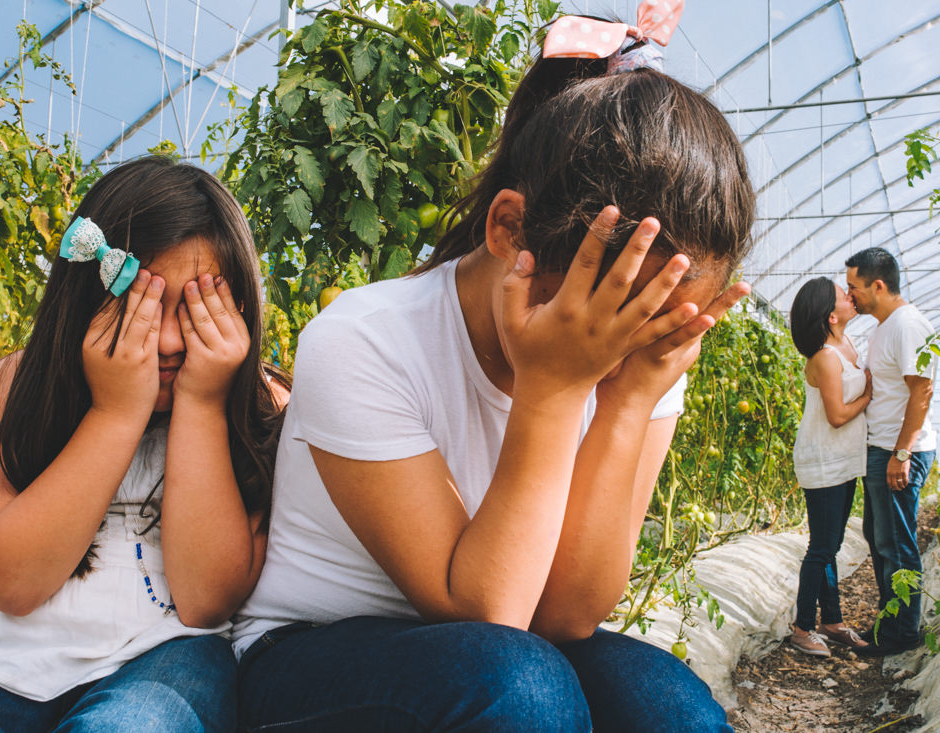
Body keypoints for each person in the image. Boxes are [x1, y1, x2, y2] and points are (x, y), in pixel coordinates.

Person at [233, 5, 755, 732]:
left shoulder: (644, 352)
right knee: (520, 692)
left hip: (513, 644)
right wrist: (552, 390)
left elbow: (568, 612)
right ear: (510, 230)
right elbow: (487, 614)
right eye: (616, 317)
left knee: (670, 706)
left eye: (661, 326)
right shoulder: (364, 339)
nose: (628, 348)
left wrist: (632, 400)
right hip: (314, 652)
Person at [0, 156, 286, 732]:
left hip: (167, 660)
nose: (166, 339)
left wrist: (203, 401)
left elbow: (205, 601)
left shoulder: (263, 408)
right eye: (141, 305)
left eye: (194, 310)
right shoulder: (17, 385)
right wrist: (115, 412)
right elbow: (13, 585)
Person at [844, 247, 937, 656]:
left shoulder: (907, 326)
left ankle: (902, 633)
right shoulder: (885, 326)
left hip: (899, 452)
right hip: (882, 447)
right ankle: (890, 621)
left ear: (878, 285)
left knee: (897, 544)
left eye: (854, 288)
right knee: (879, 538)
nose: (850, 297)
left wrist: (902, 453)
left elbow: (922, 390)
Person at [787, 278, 872, 657]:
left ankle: (832, 621)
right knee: (821, 548)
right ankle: (802, 627)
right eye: (843, 294)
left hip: (843, 460)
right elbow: (837, 415)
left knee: (831, 545)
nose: (850, 295)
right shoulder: (825, 357)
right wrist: (869, 394)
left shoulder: (848, 345)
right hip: (823, 458)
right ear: (832, 315)